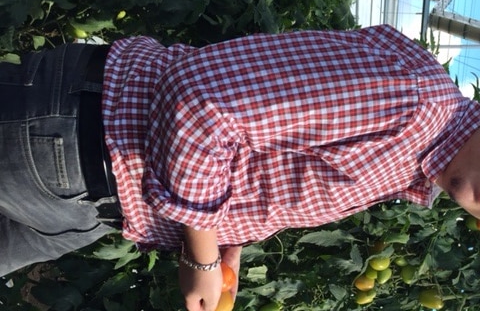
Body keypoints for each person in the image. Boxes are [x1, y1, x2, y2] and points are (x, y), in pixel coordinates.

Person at [1, 24, 479, 311]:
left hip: (96, 199)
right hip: (72, 140)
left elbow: (258, 159)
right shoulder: (415, 104)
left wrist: (225, 239)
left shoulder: (418, 155)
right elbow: (200, 99)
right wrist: (200, 258)